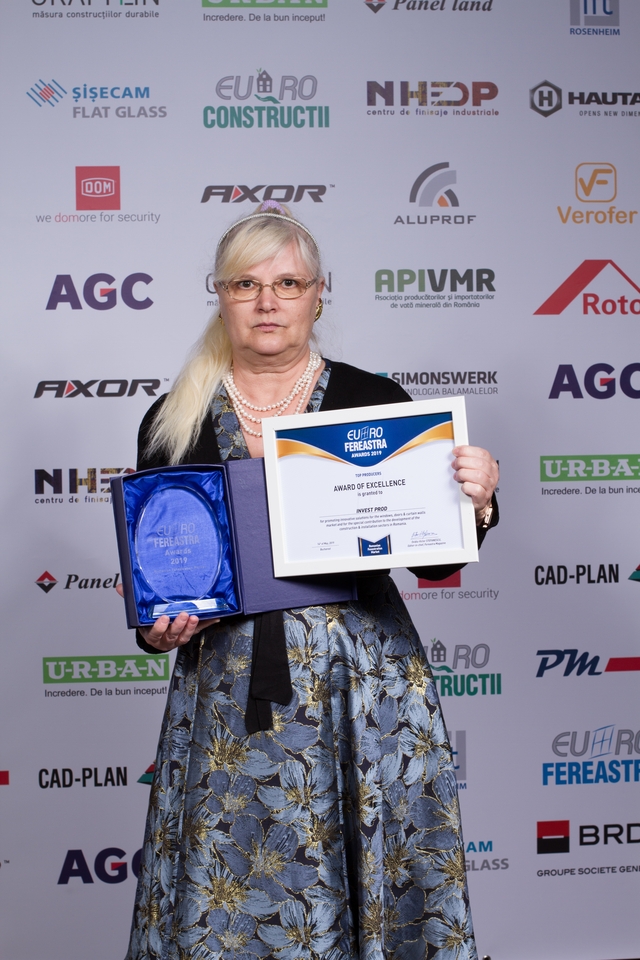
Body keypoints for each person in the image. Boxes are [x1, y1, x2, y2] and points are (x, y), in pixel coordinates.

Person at [123, 202, 499, 960]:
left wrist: (478, 499)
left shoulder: (375, 402)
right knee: (231, 884)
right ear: (221, 296)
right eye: (246, 284)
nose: (267, 302)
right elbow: (159, 574)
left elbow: (435, 560)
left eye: (288, 283)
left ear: (318, 295)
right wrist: (159, 631)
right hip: (228, 691)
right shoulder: (173, 417)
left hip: (362, 687)